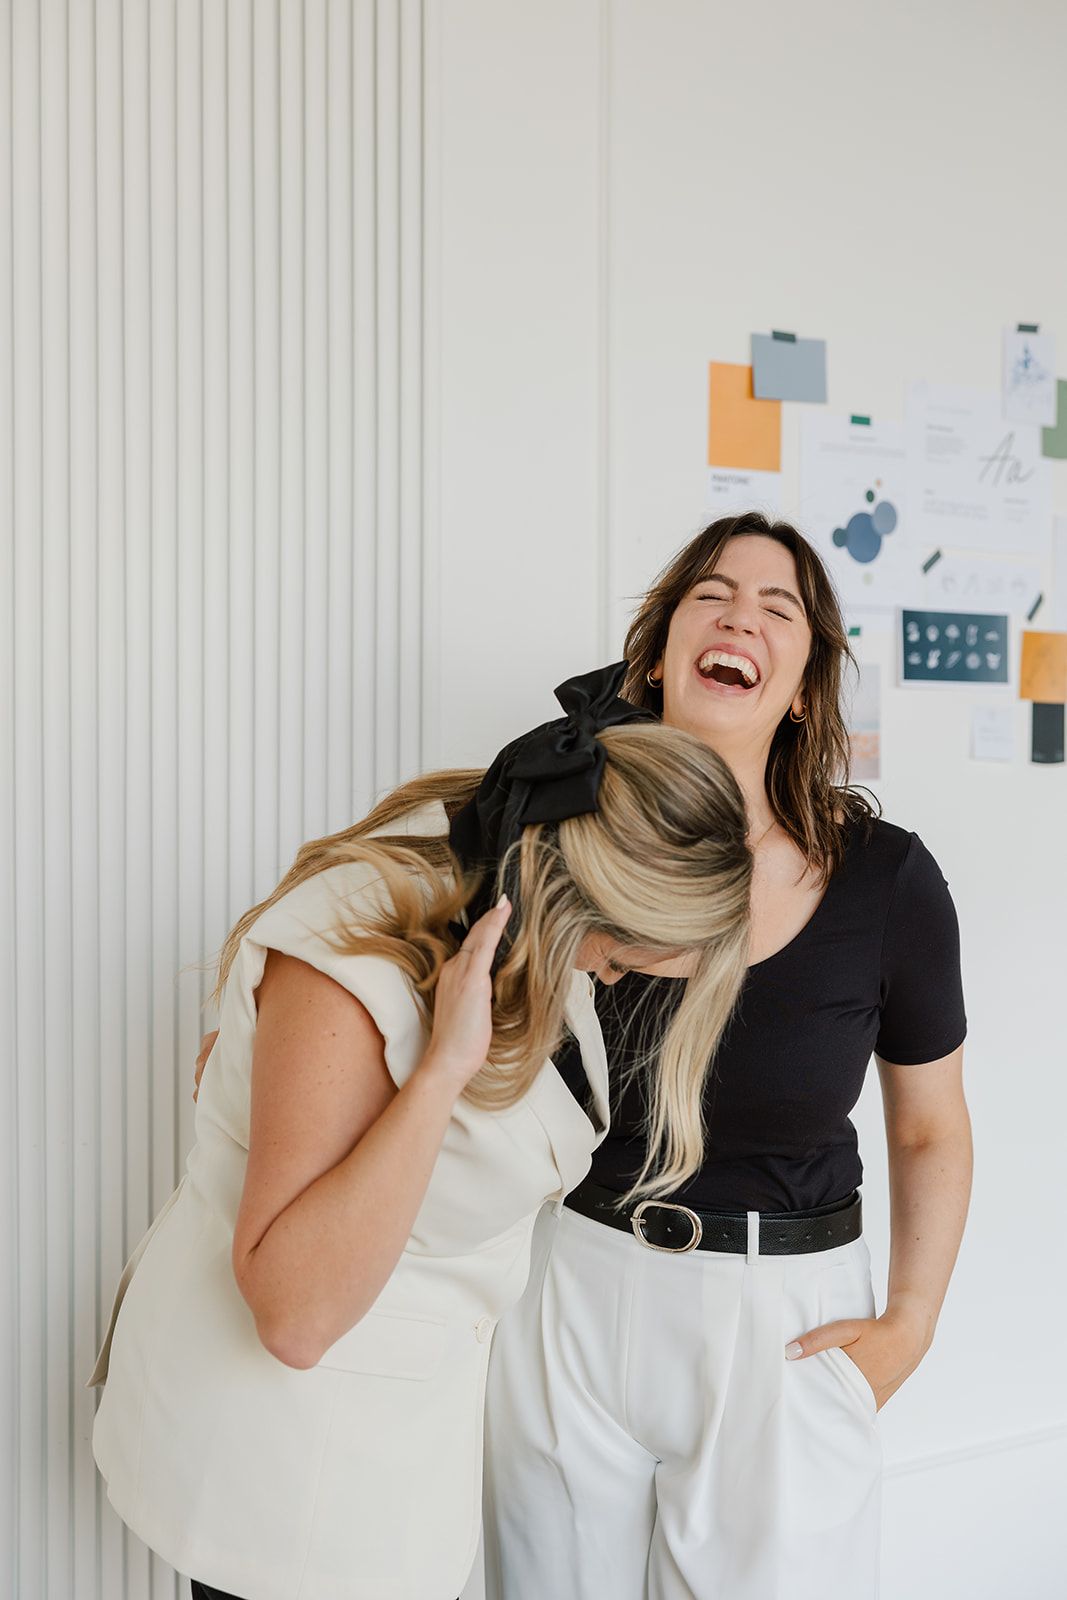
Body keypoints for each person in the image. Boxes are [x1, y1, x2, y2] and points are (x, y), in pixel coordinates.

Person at [89, 663, 753, 1600]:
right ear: (582, 903)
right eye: (631, 953)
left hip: (401, 1460)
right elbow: (295, 1317)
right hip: (289, 1469)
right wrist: (436, 1074)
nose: (641, 976)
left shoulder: (525, 892)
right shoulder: (356, 941)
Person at [481, 513, 972, 1600]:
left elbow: (928, 1123)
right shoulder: (553, 839)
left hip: (783, 1323)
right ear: (656, 657)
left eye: (776, 605)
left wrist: (910, 1324)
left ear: (799, 686)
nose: (738, 614)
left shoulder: (884, 880)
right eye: (710, 593)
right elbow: (441, 996)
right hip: (573, 1284)